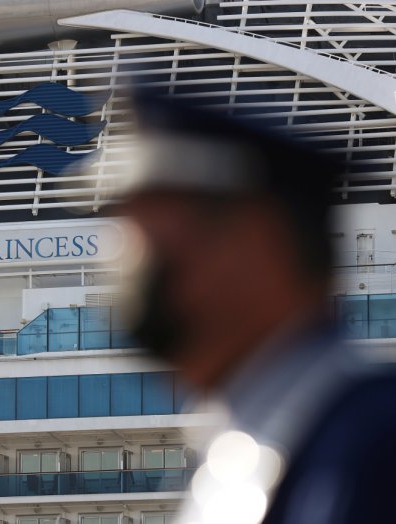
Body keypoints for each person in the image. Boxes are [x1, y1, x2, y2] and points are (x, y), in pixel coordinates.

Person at [116, 94, 396, 524]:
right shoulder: (241, 457)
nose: (120, 259)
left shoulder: (372, 452)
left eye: (145, 235)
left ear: (258, 241)